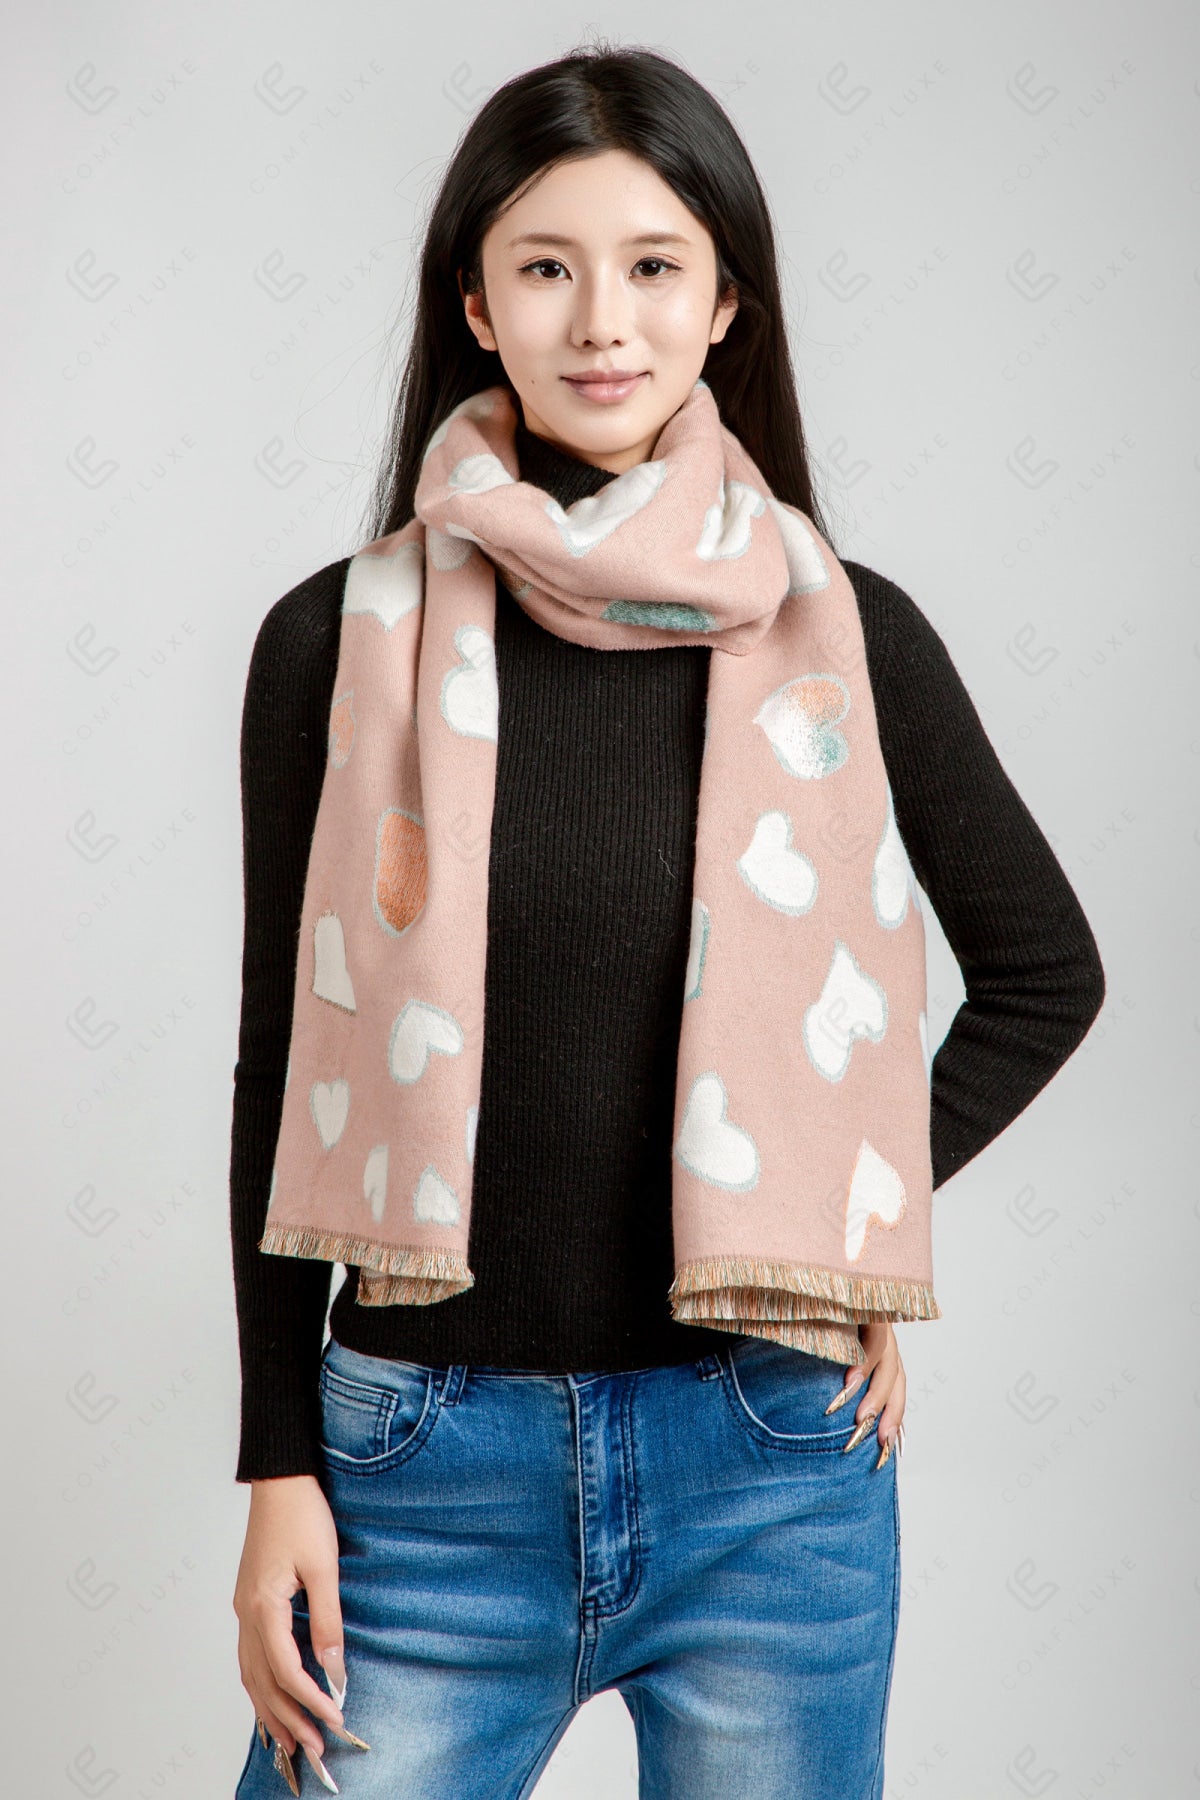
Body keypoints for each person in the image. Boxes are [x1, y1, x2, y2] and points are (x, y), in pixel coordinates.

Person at [228, 42, 1105, 1800]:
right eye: (546, 267)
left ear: (724, 306)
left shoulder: (846, 632)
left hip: (769, 1465)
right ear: (475, 304)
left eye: (653, 266)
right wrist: (275, 1467)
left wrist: (835, 1217)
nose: (601, 322)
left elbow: (1045, 975)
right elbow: (280, 1063)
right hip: (419, 1466)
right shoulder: (338, 640)